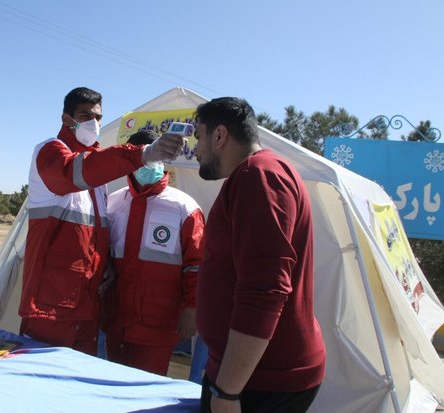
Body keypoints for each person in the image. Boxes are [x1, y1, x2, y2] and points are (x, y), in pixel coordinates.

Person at [18, 87, 185, 356]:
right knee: (41, 379)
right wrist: (142, 154)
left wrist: (105, 262)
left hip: (87, 300)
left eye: (98, 117)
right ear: (66, 119)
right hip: (51, 303)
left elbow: (94, 230)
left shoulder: (97, 174)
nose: (94, 124)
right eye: (85, 116)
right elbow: (74, 172)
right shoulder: (50, 152)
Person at [194, 97, 326, 413]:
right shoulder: (257, 174)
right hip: (248, 374)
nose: (195, 149)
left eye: (198, 137)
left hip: (262, 381)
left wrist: (227, 391)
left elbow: (264, 290)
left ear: (220, 136)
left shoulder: (259, 177)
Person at [101, 130, 205, 375]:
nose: (150, 163)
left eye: (155, 155)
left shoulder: (184, 207)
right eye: (144, 157)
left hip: (157, 324)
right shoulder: (114, 202)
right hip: (115, 321)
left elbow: (197, 264)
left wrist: (192, 309)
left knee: (144, 394)